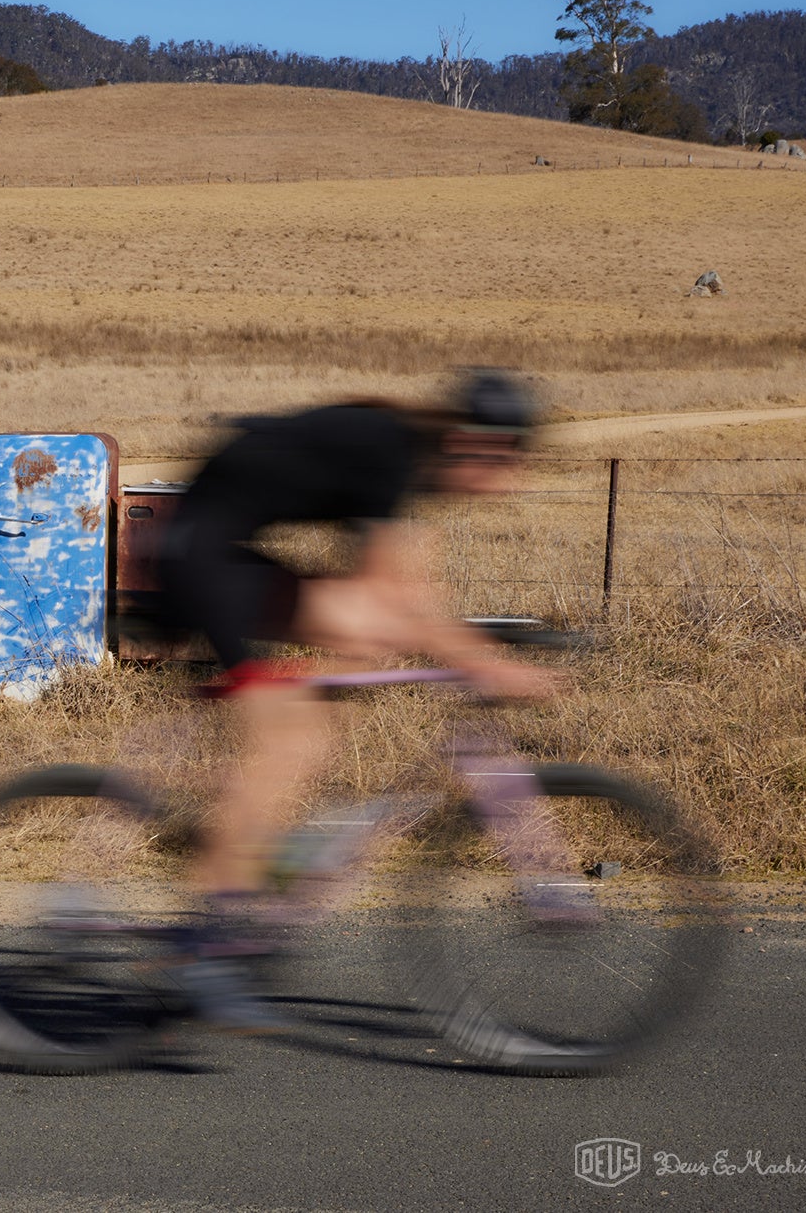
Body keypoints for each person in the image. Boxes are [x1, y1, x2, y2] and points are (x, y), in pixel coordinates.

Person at [158, 369, 570, 1028]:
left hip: (228, 545)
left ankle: (266, 851)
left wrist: (474, 642)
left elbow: (415, 591)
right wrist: (485, 662)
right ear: (473, 445)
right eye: (510, 463)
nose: (514, 483)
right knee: (290, 744)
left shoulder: (417, 470)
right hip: (193, 552)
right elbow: (399, 596)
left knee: (351, 658)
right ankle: (199, 945)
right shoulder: (391, 453)